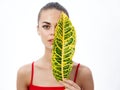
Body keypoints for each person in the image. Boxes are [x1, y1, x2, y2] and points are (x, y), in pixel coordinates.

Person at [16, 2, 94, 90]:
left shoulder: (83, 73)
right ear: (38, 29)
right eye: (46, 26)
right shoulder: (25, 73)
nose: (53, 32)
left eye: (59, 27)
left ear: (66, 31)